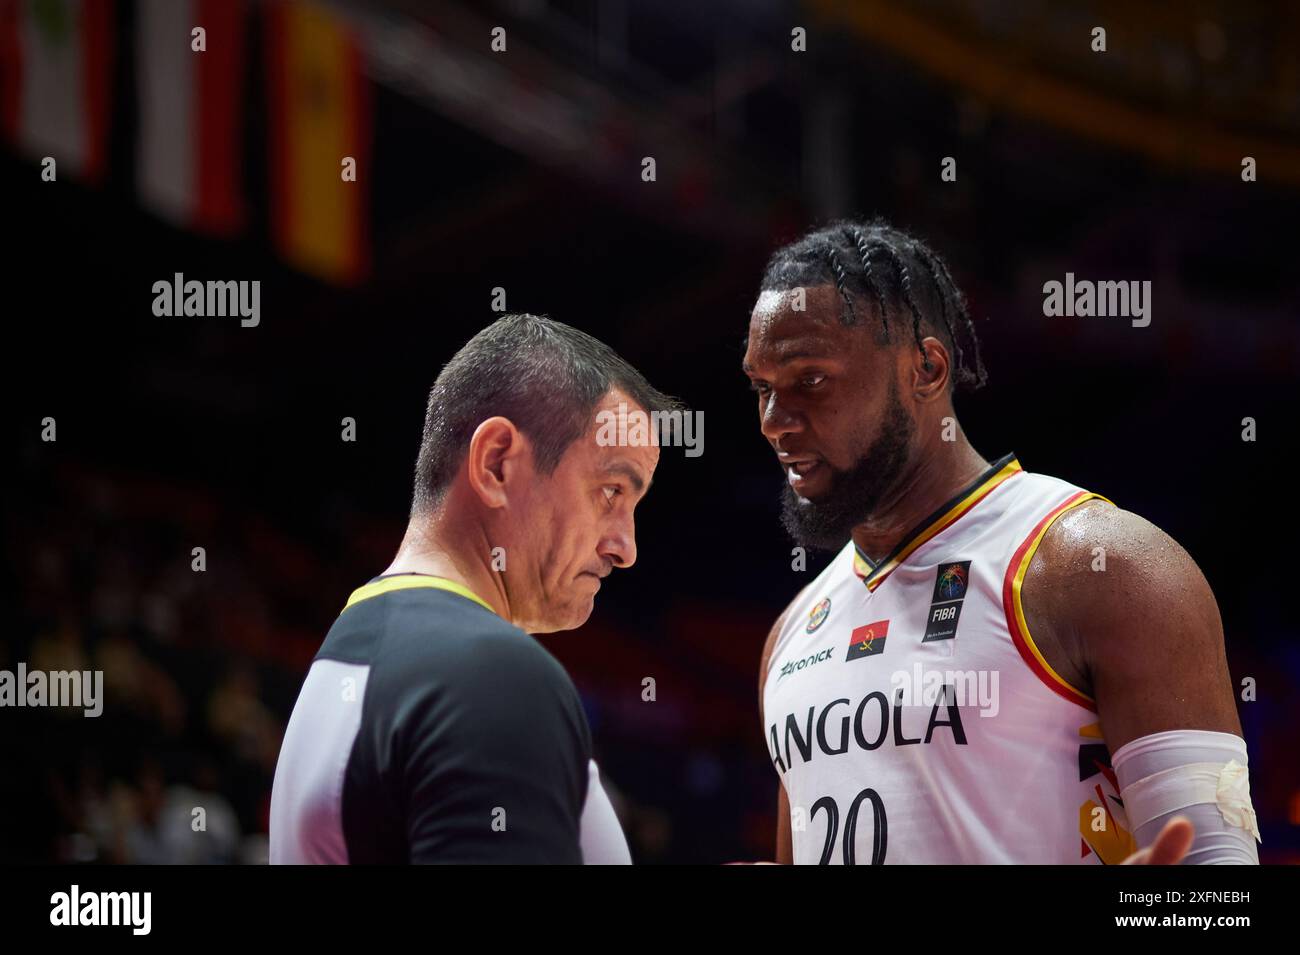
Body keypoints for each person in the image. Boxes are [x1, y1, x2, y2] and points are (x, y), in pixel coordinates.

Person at [744, 219, 1260, 864]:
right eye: (762, 388)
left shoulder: (1105, 570)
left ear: (926, 369)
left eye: (809, 381)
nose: (774, 422)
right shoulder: (792, 632)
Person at [270, 314, 674, 863]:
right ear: (496, 464)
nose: (626, 547)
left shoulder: (354, 643)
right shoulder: (492, 674)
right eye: (611, 491)